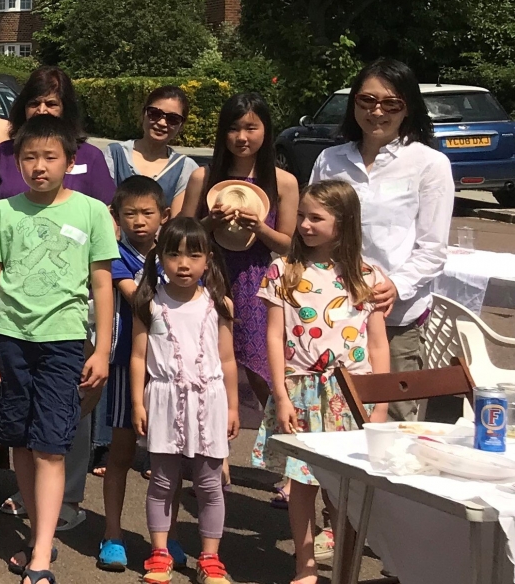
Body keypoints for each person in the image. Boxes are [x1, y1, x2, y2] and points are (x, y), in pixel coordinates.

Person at [0, 115, 118, 584]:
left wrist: (102, 348)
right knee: (18, 438)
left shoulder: (93, 212)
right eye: (29, 157)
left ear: (70, 162)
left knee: (51, 445)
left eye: (50, 157)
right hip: (9, 339)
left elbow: (102, 283)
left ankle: (39, 557)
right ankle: (40, 536)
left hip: (63, 342)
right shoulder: (3, 212)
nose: (39, 166)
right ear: (17, 161)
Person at [251, 180, 391, 584]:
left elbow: (379, 346)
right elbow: (274, 337)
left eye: (317, 218)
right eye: (303, 217)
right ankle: (305, 566)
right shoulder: (283, 270)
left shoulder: (367, 275)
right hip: (300, 390)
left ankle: (347, 568)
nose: (305, 225)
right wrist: (280, 394)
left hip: (351, 396)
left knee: (344, 492)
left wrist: (379, 406)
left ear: (343, 223)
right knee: (301, 484)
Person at [308, 58, 452, 423]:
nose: (377, 111)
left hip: (394, 319)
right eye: (367, 100)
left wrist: (395, 286)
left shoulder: (429, 165)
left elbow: (433, 249)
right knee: (331, 418)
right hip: (333, 313)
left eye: (391, 103)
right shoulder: (330, 160)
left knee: (394, 422)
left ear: (408, 108)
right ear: (353, 103)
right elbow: (311, 226)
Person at [177, 93, 299, 444]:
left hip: (261, 282)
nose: (242, 137)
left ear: (265, 130)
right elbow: (180, 239)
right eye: (233, 129)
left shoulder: (283, 181)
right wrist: (209, 223)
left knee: (265, 372)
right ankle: (211, 455)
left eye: (251, 127)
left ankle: (288, 454)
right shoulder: (203, 176)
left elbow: (290, 245)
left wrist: (259, 228)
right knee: (205, 365)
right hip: (211, 277)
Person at [128, 216, 240, 584]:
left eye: (193, 255)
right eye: (173, 254)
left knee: (209, 485)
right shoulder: (149, 303)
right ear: (160, 258)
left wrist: (234, 407)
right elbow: (139, 357)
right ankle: (159, 553)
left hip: (210, 401)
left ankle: (210, 558)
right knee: (162, 481)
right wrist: (138, 404)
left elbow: (226, 359)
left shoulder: (218, 303)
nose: (183, 263)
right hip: (162, 399)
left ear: (207, 260)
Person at [93, 175, 168, 571]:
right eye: (130, 214)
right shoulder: (116, 255)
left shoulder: (179, 253)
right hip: (127, 365)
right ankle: (113, 533)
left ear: (165, 216)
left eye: (148, 213)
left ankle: (162, 539)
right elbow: (134, 297)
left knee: (167, 459)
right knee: (121, 453)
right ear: (116, 217)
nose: (139, 221)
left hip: (172, 372)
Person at [0, 66, 115, 204]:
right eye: (34, 103)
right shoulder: (4, 153)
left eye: (51, 104)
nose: (41, 110)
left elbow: (108, 210)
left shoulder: (91, 156)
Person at [105, 86, 197, 203]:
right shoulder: (114, 155)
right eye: (155, 113)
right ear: (143, 113)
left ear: (181, 125)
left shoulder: (186, 168)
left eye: (173, 118)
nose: (162, 123)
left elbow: (179, 220)